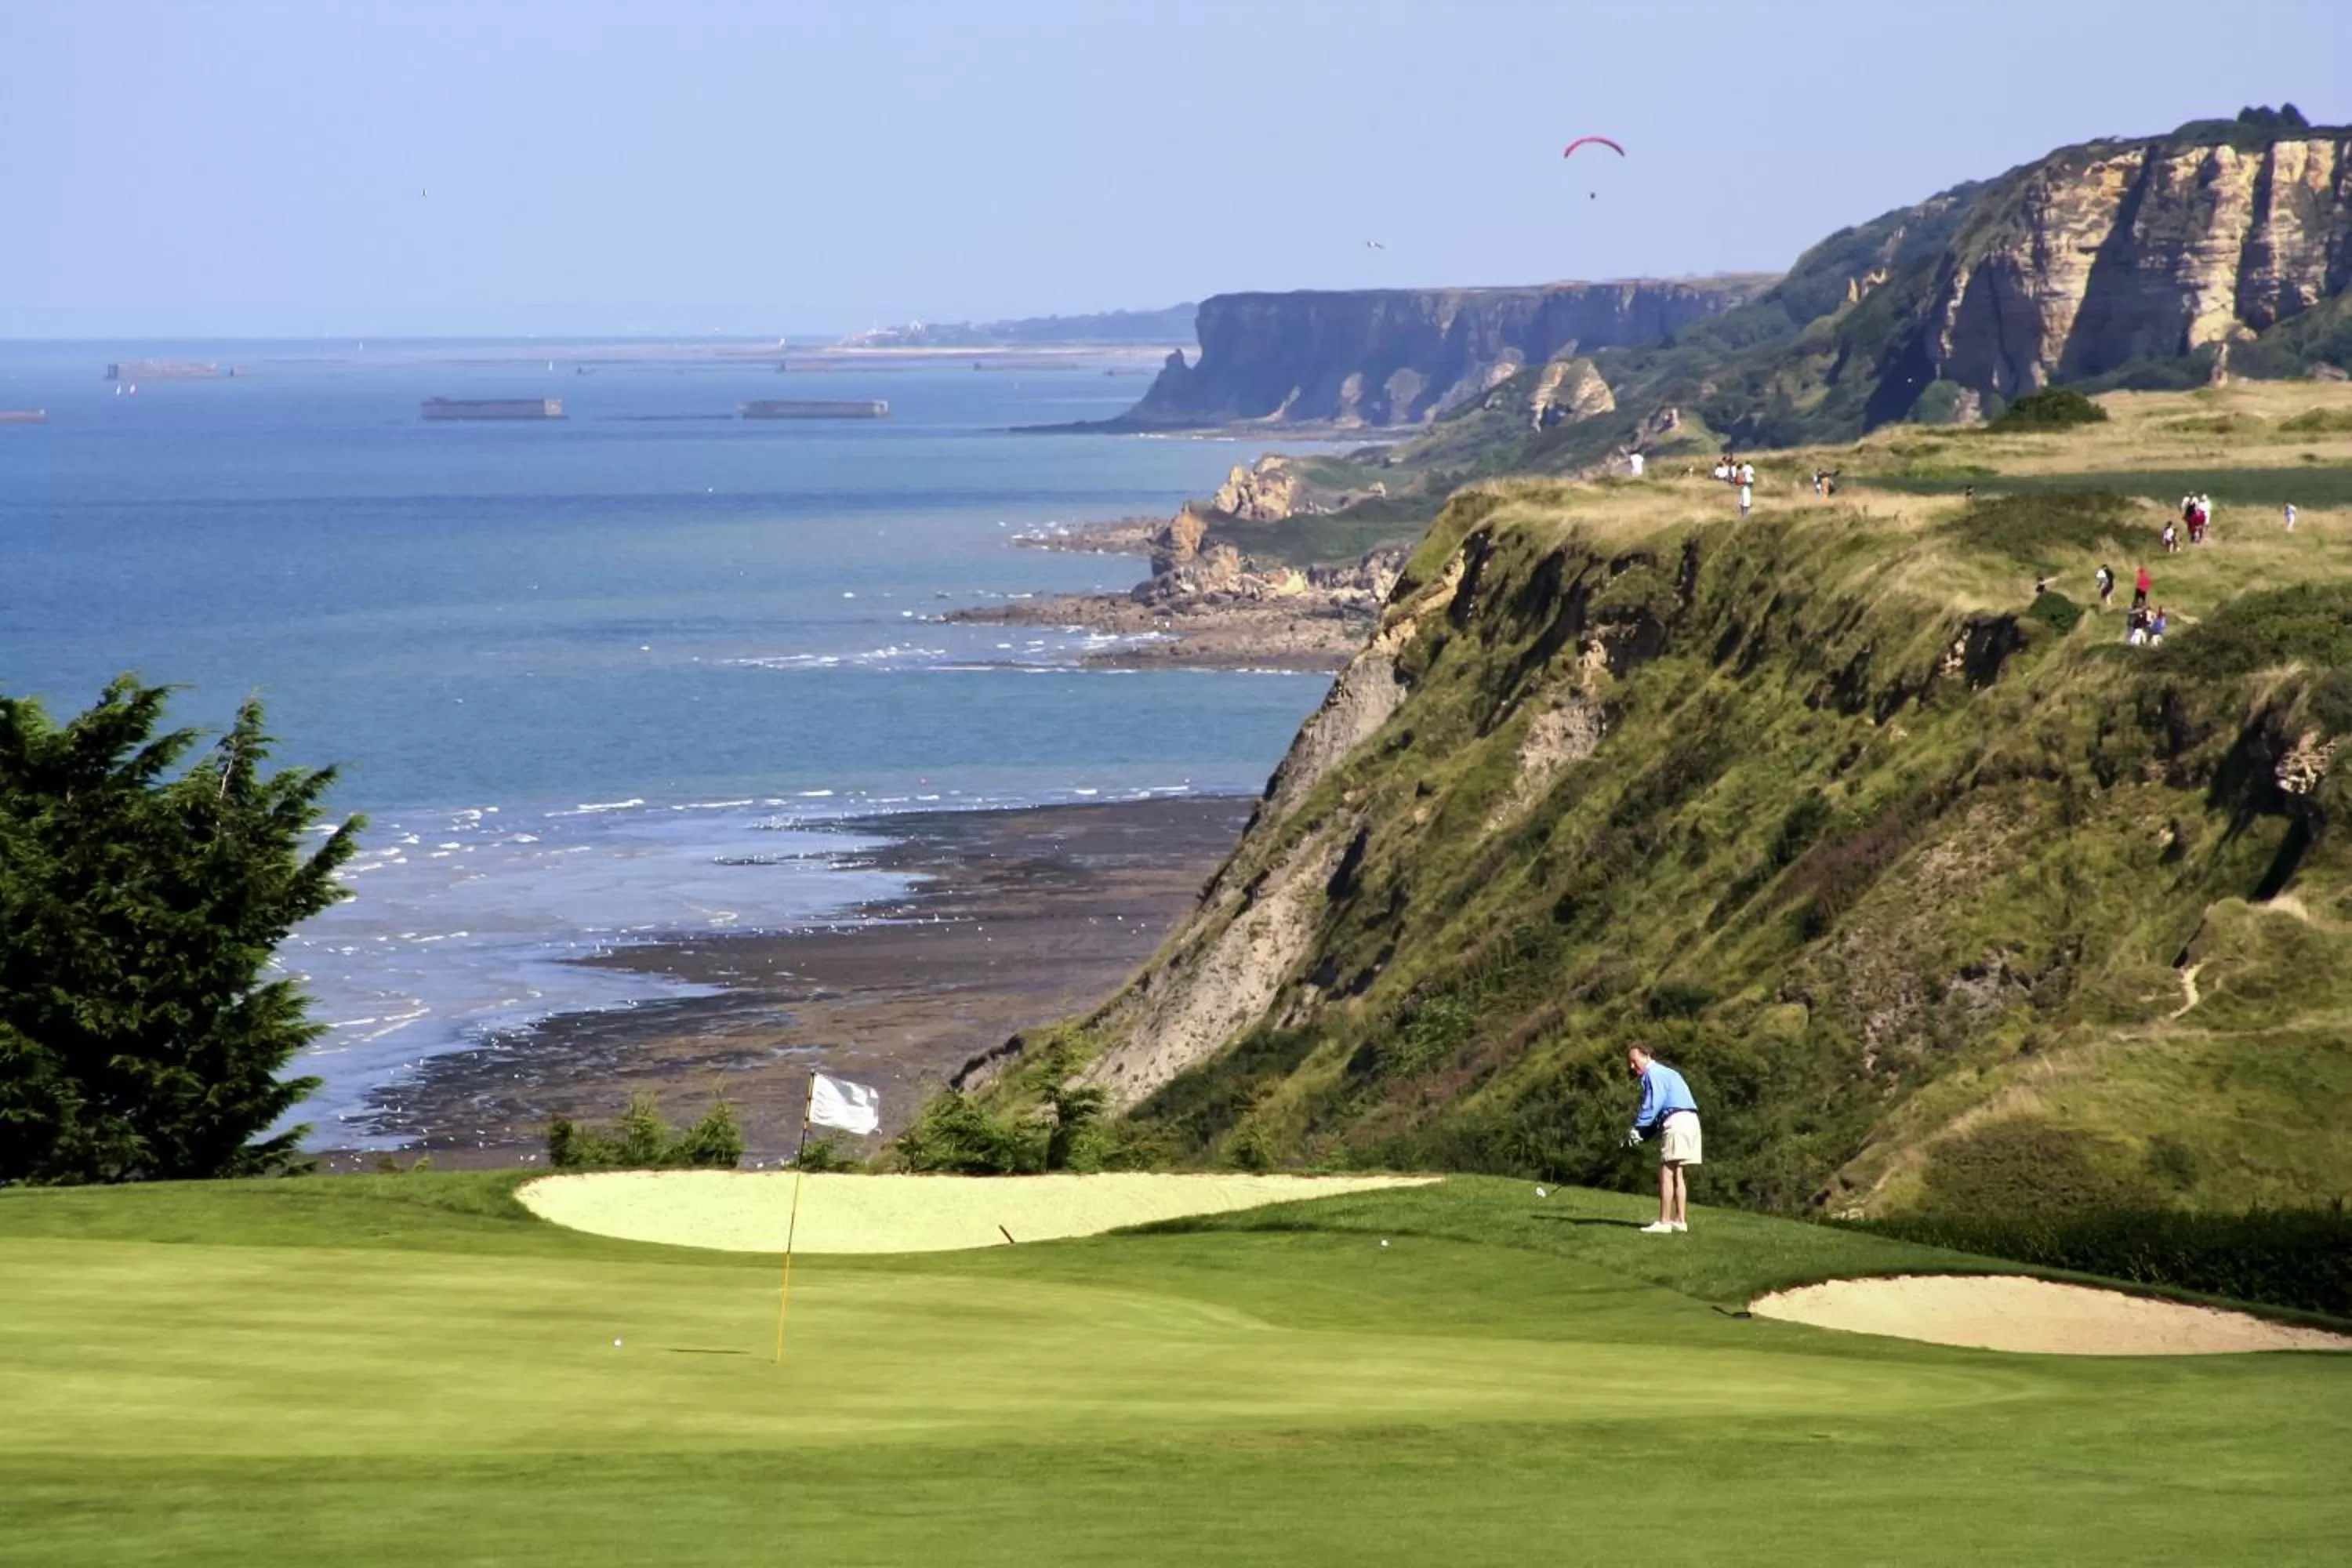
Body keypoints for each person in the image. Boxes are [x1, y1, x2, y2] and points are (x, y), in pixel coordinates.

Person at [1624, 1044, 1701, 1233]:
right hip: (1691, 1121)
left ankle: (1664, 1222)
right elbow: (1658, 1113)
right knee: (1678, 1171)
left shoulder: (1653, 1074)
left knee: (1666, 1171)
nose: (1632, 1066)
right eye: (1630, 1063)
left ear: (1647, 1056)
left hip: (1676, 1121)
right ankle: (1680, 1221)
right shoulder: (1668, 1073)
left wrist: (1637, 1129)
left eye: (1634, 1061)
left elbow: (1653, 1105)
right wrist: (1643, 1134)